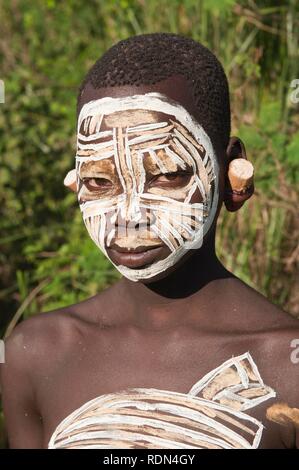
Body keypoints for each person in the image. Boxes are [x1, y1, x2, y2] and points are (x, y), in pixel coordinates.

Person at [1, 33, 298, 449]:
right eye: (100, 181)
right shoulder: (36, 353)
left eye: (167, 175)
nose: (128, 215)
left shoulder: (287, 366)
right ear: (77, 184)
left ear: (233, 174)